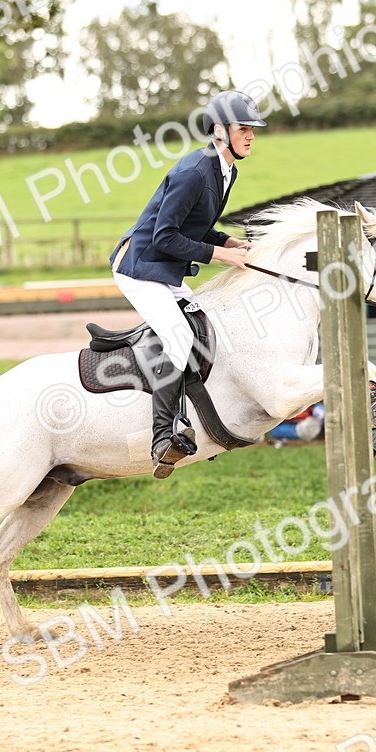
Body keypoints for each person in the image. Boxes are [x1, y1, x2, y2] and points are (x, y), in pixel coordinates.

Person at [110, 90, 264, 479]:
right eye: (243, 128)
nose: (250, 136)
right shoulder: (194, 171)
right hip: (140, 267)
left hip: (165, 270)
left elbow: (196, 226)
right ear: (218, 130)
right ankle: (162, 437)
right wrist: (223, 257)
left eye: (252, 130)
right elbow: (165, 237)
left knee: (206, 329)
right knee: (179, 338)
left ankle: (206, 422)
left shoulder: (225, 169)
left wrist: (229, 242)